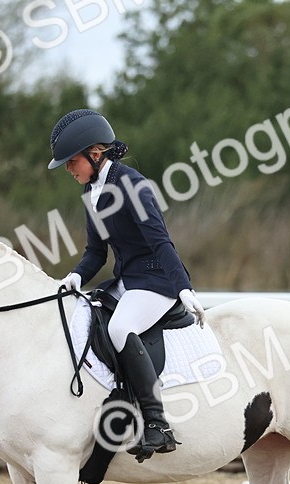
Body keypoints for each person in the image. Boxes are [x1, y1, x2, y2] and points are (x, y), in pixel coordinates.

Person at [49, 108, 205, 460]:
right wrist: (75, 276)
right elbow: (96, 252)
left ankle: (158, 424)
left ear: (95, 154)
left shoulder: (133, 186)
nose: (69, 170)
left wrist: (183, 288)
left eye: (72, 162)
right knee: (85, 313)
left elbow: (160, 242)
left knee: (120, 328)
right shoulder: (92, 192)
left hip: (157, 280)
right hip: (128, 279)